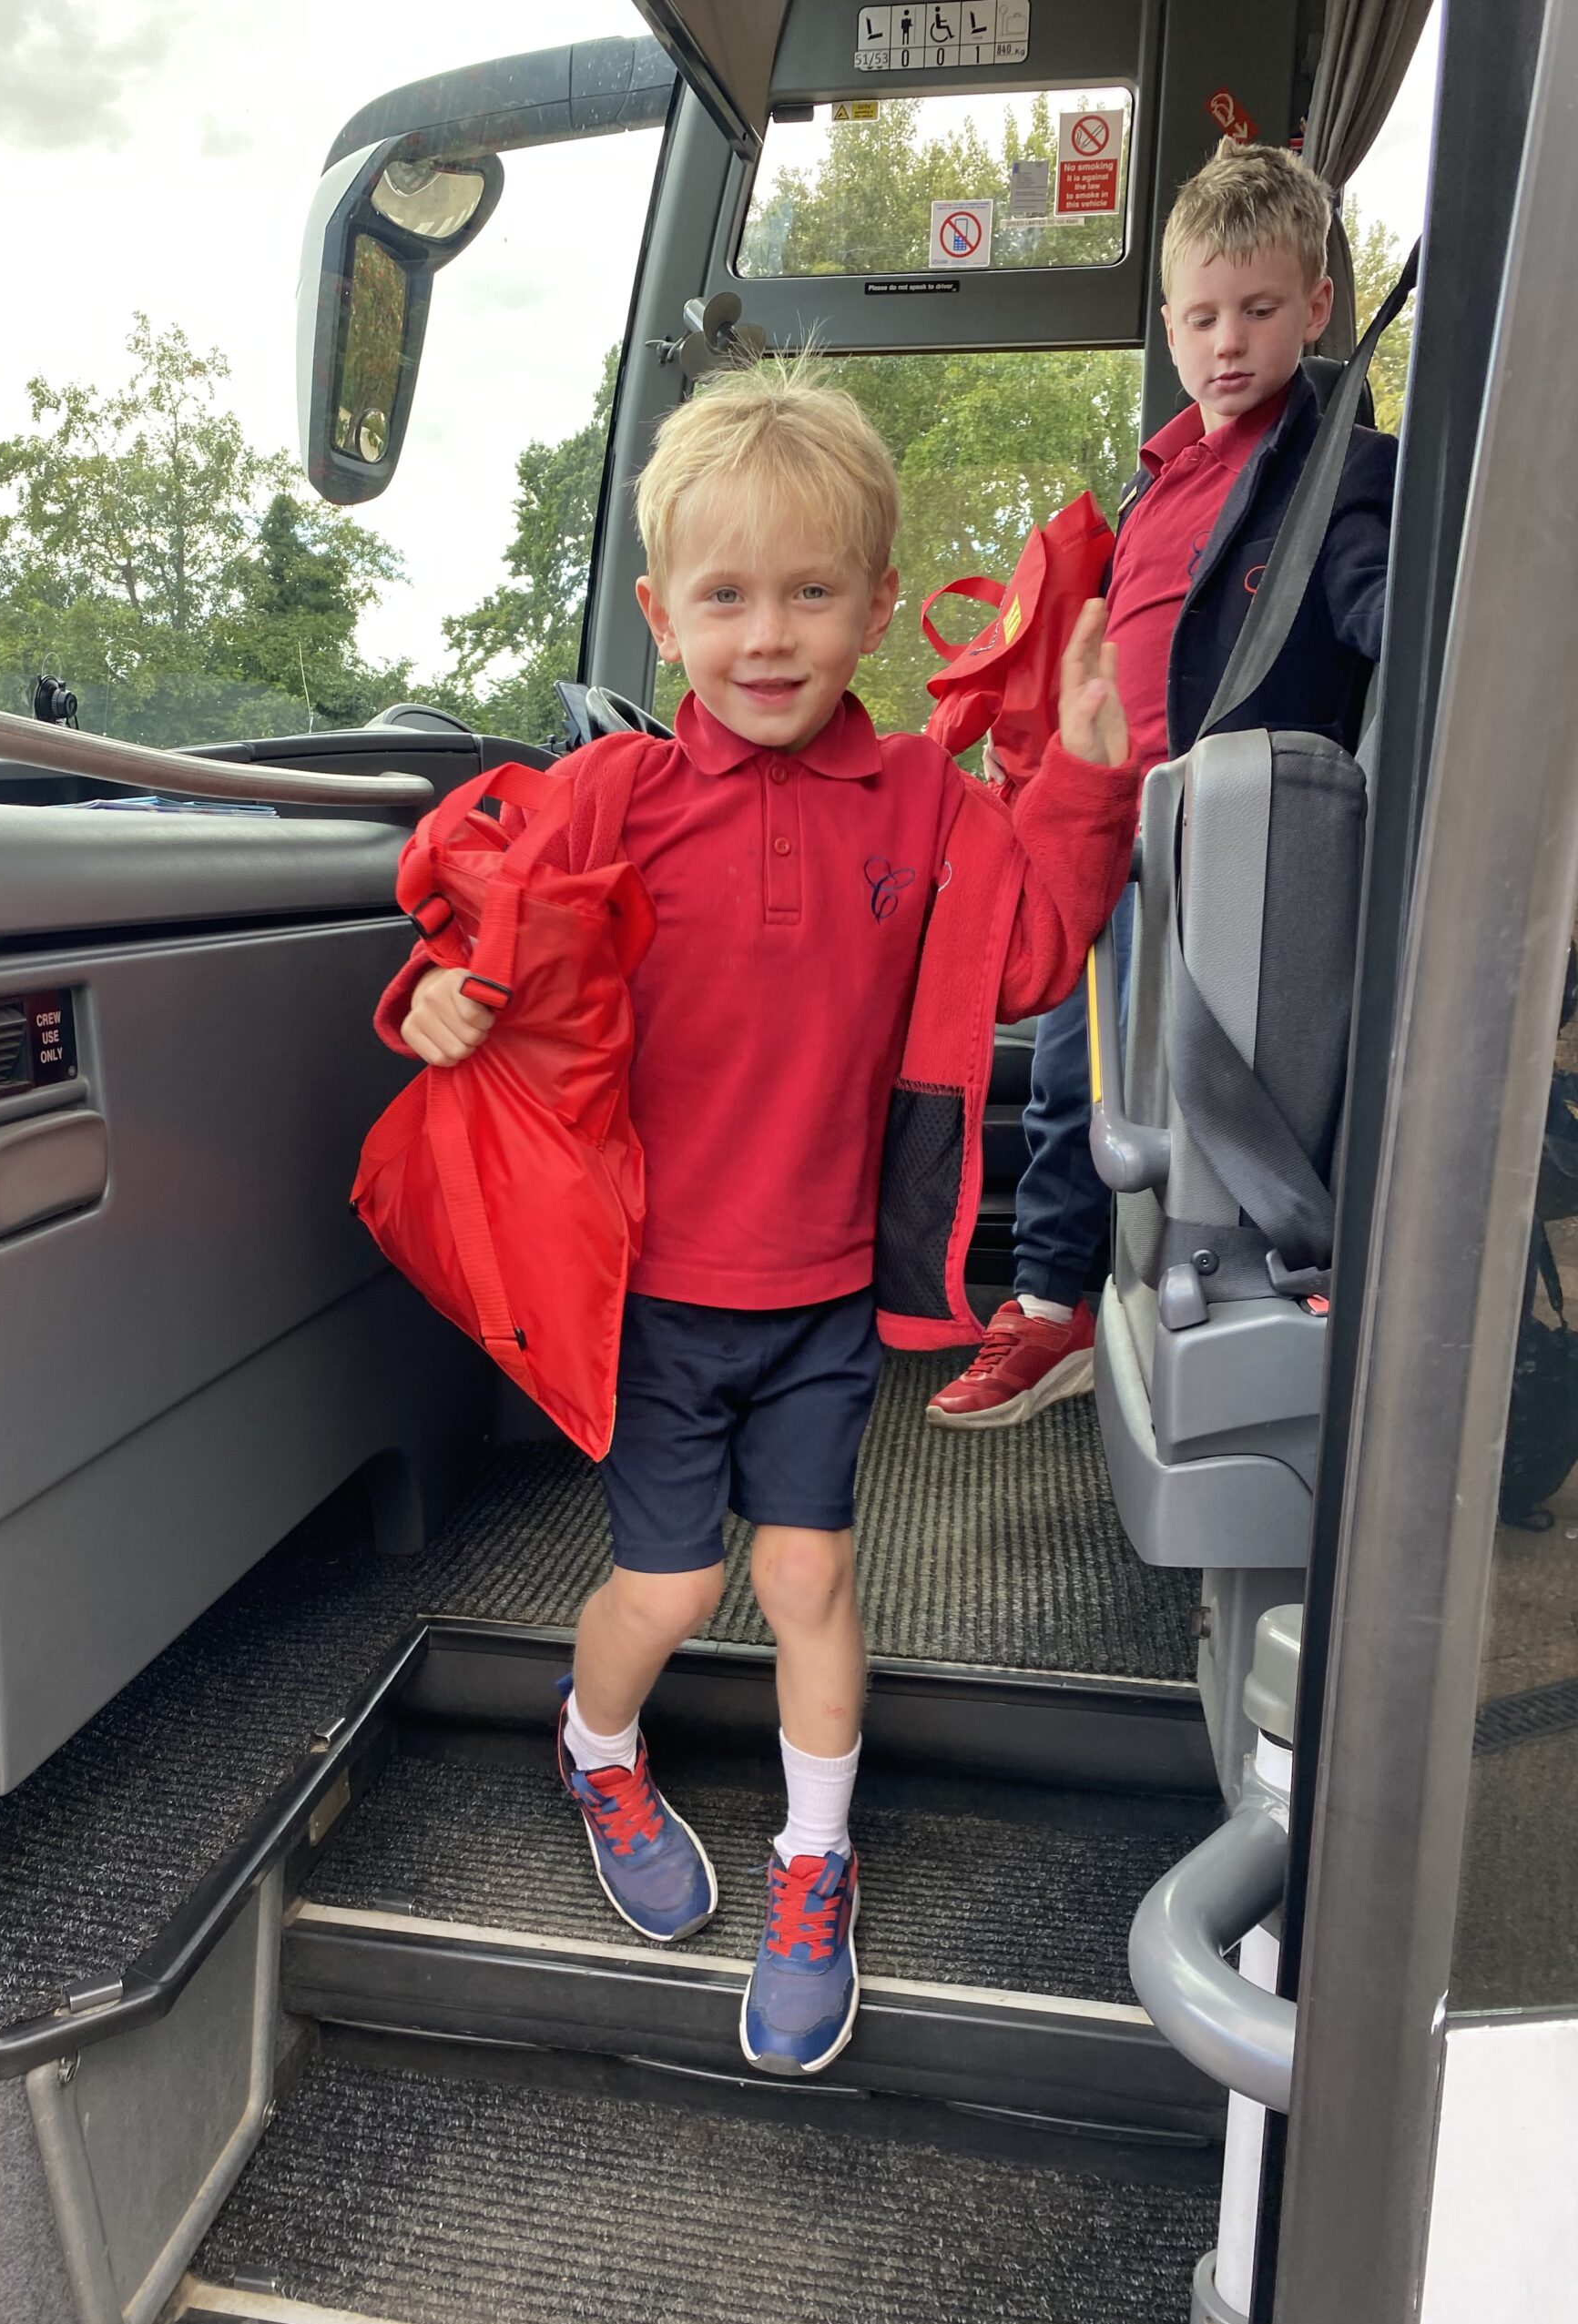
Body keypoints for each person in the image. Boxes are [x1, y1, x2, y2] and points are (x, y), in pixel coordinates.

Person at [388, 361, 1142, 2076]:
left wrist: (1082, 781)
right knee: (668, 1586)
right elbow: (484, 929)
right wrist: (434, 991)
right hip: (657, 1292)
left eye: (815, 592)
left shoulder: (930, 807)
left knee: (809, 1577)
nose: (773, 635)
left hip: (818, 1301)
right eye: (727, 598)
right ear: (663, 617)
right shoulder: (615, 800)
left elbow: (1028, 959)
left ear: (880, 602)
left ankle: (817, 1861)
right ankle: (593, 1741)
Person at [928, 138, 1398, 1429]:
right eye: (1199, 317)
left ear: (1316, 310)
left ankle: (1052, 1301)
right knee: (1071, 1054)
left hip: (1211, 847)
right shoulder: (1162, 478)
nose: (1227, 343)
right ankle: (1061, 1301)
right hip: (1101, 823)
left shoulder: (1336, 478)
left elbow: (1376, 603)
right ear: (1171, 323)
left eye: (1258, 311)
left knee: (1106, 1076)